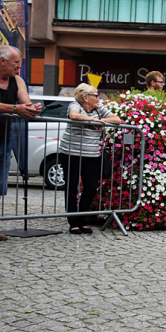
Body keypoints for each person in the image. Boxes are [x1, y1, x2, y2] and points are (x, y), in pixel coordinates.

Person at [0, 46, 41, 242]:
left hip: (3, 139)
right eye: (16, 62)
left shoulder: (17, 81)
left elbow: (25, 103)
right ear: (2, 61)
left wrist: (33, 108)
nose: (19, 66)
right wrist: (15, 109)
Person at [57, 83, 121, 234]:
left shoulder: (99, 109)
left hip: (91, 154)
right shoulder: (75, 104)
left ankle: (82, 218)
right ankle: (73, 222)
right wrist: (91, 121)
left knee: (91, 187)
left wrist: (102, 121)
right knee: (71, 188)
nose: (99, 98)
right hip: (70, 153)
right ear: (85, 98)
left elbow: (117, 120)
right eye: (96, 95)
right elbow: (73, 115)